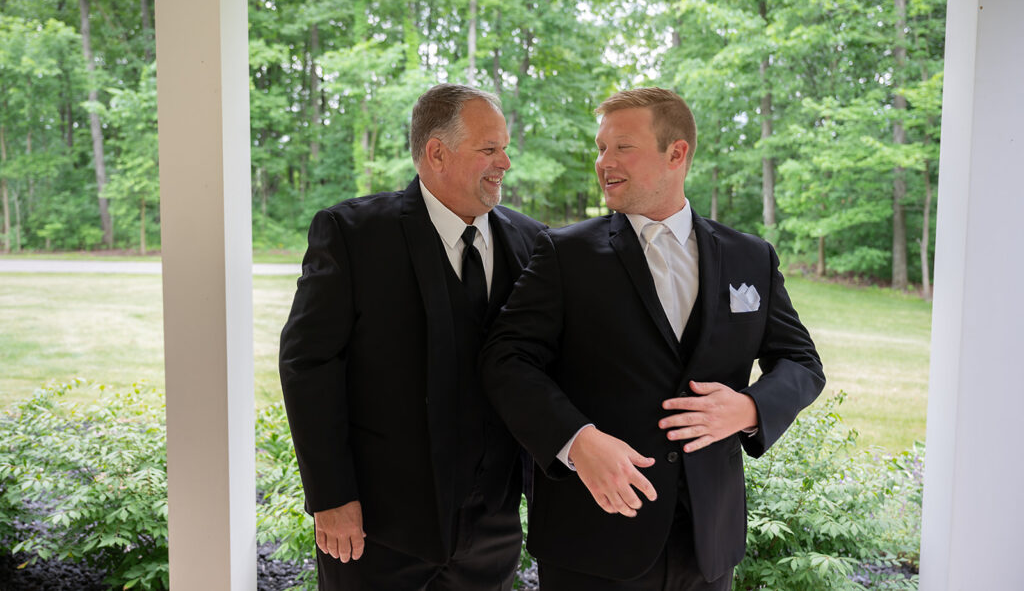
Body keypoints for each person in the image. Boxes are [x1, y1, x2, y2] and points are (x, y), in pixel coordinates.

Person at [480, 87, 825, 590]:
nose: (604, 162)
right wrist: (576, 441)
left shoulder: (751, 258)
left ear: (677, 153)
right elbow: (504, 360)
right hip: (593, 536)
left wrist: (749, 408)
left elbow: (801, 362)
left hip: (706, 542)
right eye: (601, 148)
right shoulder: (563, 253)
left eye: (622, 147)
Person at [279, 83, 546, 590]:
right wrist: (331, 496)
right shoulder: (352, 234)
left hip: (492, 531)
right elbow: (308, 365)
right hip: (377, 530)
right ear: (437, 153)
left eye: (505, 147)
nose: (505, 162)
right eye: (489, 149)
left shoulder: (533, 242)